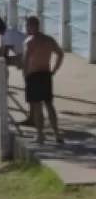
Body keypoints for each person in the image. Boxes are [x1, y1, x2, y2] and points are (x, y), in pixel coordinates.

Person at [22, 16, 64, 144]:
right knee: (49, 105)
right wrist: (54, 70)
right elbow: (60, 54)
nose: (26, 29)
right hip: (46, 74)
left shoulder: (29, 41)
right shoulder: (49, 40)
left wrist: (26, 76)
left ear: (31, 26)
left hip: (34, 75)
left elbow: (25, 61)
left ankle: (40, 134)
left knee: (37, 106)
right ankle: (57, 134)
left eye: (27, 26)